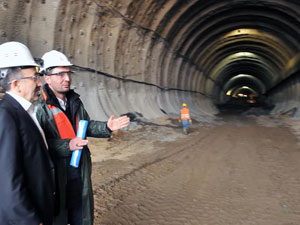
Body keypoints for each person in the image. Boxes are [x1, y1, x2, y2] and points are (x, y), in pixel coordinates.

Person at [36, 50, 130, 225]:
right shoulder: (39, 108)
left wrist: (107, 127)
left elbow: (85, 126)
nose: (67, 78)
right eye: (60, 74)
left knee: (81, 216)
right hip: (57, 178)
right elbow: (38, 146)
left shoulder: (74, 101)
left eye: (68, 73)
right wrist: (67, 146)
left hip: (79, 172)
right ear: (47, 78)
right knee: (59, 218)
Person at [0, 42, 56, 225]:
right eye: (35, 77)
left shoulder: (24, 112)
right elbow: (7, 179)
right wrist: (29, 220)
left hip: (39, 209)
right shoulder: (6, 116)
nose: (40, 82)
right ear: (16, 84)